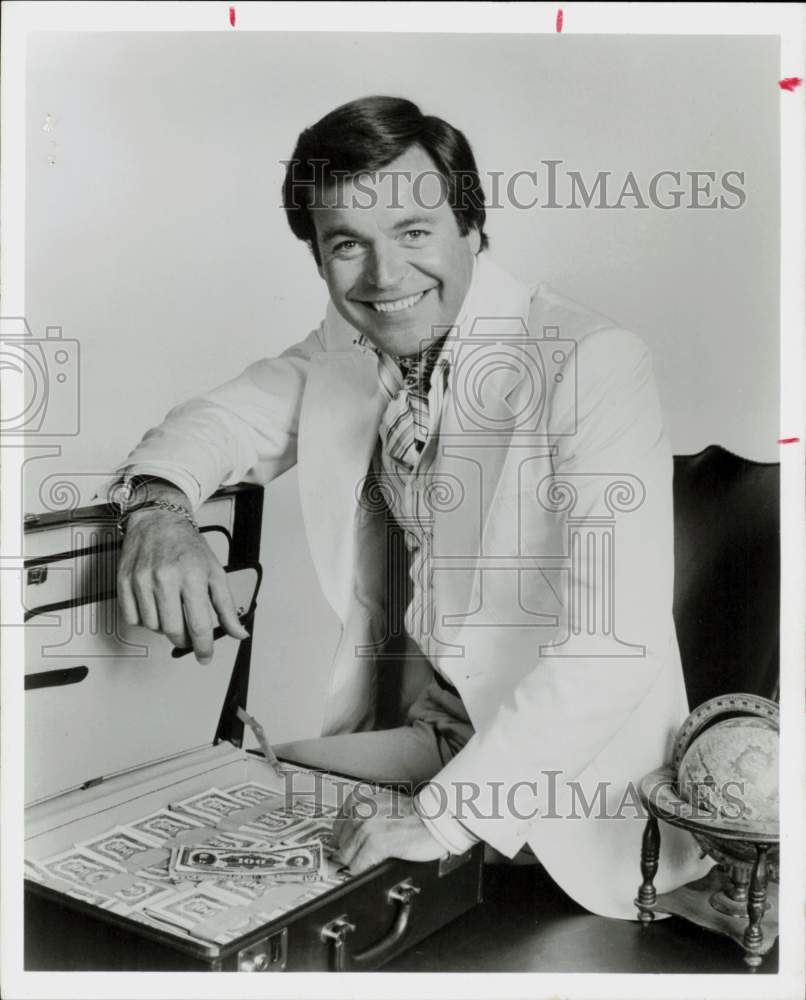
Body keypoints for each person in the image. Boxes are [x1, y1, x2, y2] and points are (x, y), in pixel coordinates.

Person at [111, 96, 709, 918]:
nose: (385, 277)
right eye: (348, 244)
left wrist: (446, 816)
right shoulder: (349, 345)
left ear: (472, 227)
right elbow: (220, 420)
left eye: (415, 231)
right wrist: (158, 514)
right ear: (318, 257)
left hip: (572, 810)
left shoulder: (592, 361)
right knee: (194, 803)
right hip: (424, 747)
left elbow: (616, 648)